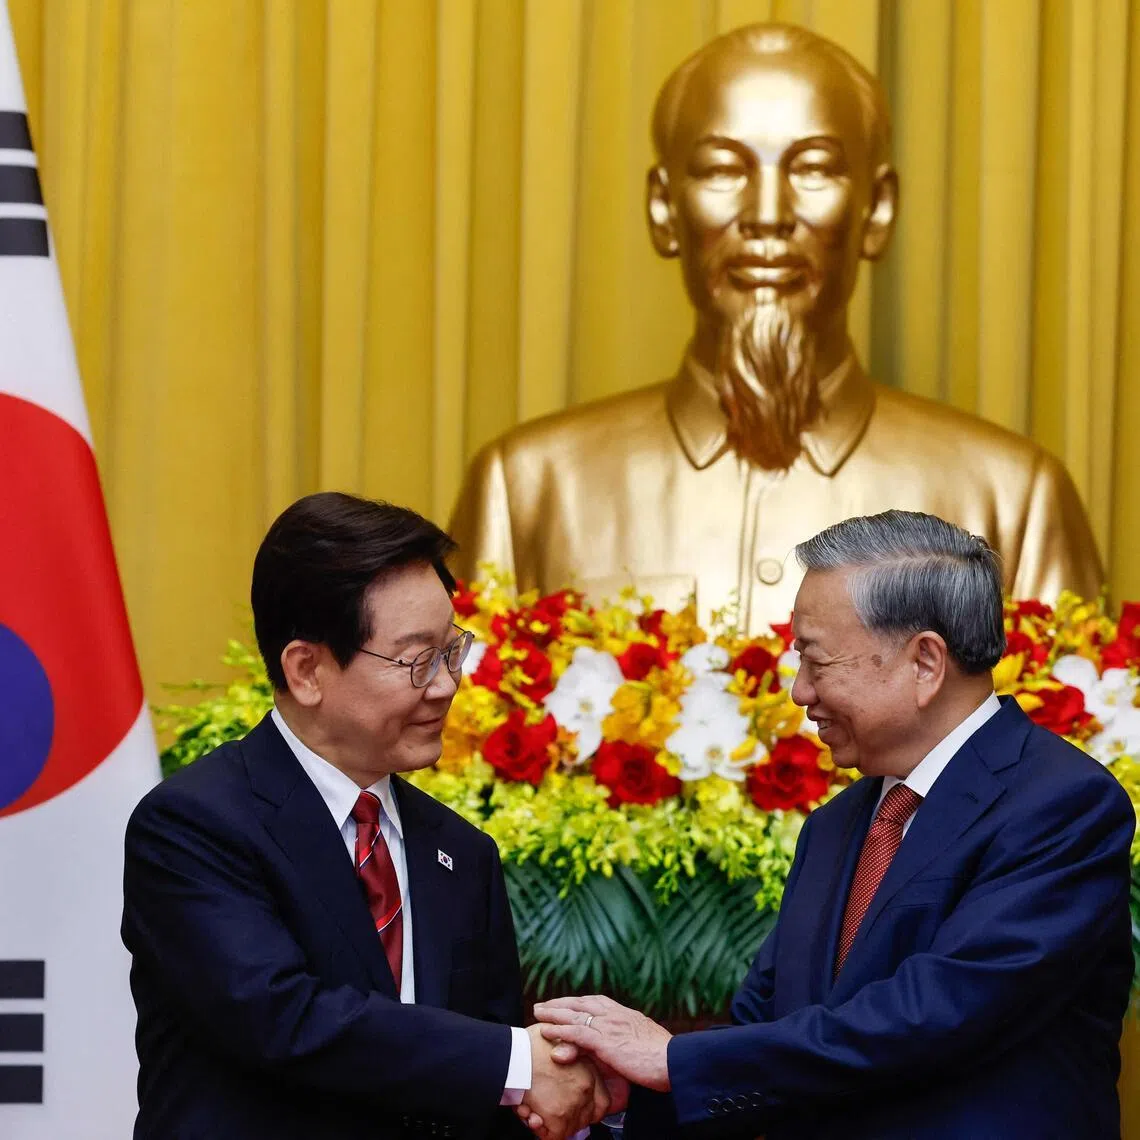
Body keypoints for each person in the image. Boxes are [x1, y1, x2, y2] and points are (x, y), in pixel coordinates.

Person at [448, 24, 1102, 633]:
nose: (767, 213)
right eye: (723, 169)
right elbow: (450, 742)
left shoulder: (1013, 500)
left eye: (814, 168)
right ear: (663, 209)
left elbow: (1064, 750)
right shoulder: (527, 489)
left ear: (877, 210)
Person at [530, 510, 1135, 1138]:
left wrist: (673, 1059)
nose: (798, 691)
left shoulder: (1062, 806)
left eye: (816, 662)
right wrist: (629, 1092)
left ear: (925, 663)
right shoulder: (838, 825)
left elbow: (934, 1013)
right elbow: (766, 1030)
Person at [121, 492, 609, 1140]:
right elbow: (283, 1017)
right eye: (415, 660)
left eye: (450, 650)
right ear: (306, 670)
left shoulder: (461, 853)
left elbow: (484, 1100)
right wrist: (520, 1062)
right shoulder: (194, 826)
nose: (444, 685)